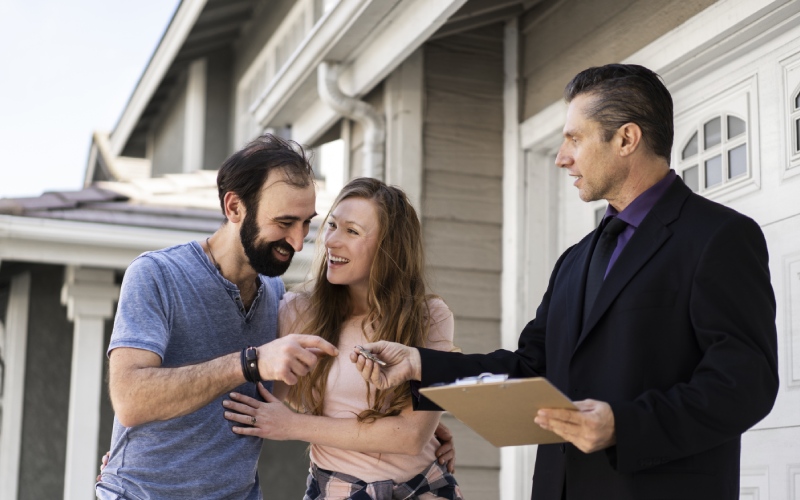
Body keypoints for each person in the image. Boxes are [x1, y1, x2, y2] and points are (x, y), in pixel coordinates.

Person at [350, 64, 779, 500]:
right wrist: (420, 364)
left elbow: (745, 383)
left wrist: (623, 426)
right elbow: (532, 369)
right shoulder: (574, 261)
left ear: (626, 139)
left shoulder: (719, 237)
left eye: (575, 138)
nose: (561, 156)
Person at [96, 134, 340, 499]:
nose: (298, 240)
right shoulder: (156, 274)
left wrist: (419, 429)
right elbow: (130, 400)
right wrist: (249, 363)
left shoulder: (275, 294)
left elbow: (303, 397)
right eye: (285, 222)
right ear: (234, 207)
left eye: (306, 222)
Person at [221, 177, 463, 499]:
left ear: (389, 247)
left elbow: (410, 437)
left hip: (424, 488)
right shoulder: (297, 311)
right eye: (332, 225)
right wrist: (378, 426)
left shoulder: (429, 317)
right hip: (338, 489)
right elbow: (268, 392)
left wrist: (293, 426)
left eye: (352, 231)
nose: (332, 241)